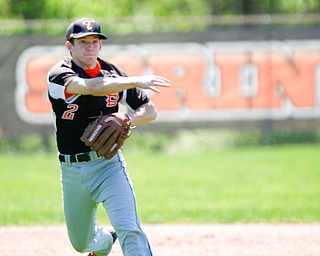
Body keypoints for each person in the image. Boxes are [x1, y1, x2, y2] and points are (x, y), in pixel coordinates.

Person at [47, 17, 171, 256]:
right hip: (72, 170)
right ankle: (104, 242)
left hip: (108, 165)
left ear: (101, 45)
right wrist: (135, 80)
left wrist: (126, 119)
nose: (90, 46)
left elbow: (150, 111)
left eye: (95, 41)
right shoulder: (59, 73)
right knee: (81, 243)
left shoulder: (114, 73)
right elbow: (91, 87)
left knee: (129, 227)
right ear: (69, 46)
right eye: (83, 41)